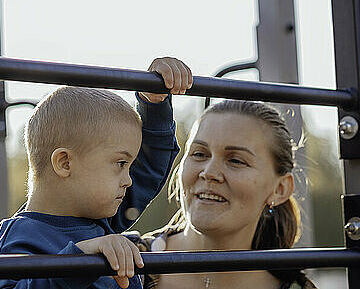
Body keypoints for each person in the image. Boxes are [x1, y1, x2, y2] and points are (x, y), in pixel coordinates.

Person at [0, 57, 193, 289]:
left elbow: (149, 167)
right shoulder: (20, 238)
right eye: (120, 164)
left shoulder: (100, 216)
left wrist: (154, 102)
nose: (129, 180)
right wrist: (79, 259)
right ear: (65, 163)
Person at [131, 100, 317, 289]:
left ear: (280, 189)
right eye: (199, 154)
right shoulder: (123, 264)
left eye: (236, 160)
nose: (209, 172)